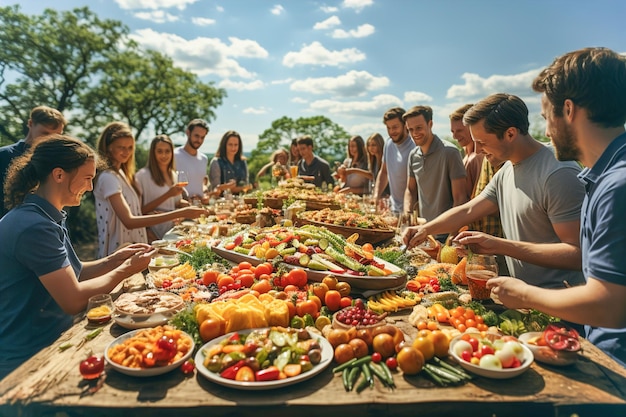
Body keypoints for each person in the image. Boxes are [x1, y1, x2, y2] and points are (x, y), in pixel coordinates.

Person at [487, 47, 626, 366]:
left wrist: (522, 294)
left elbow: (611, 305)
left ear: (569, 109)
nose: (547, 130)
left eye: (546, 116)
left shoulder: (617, 185)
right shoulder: (602, 175)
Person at [0, 135, 156, 379]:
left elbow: (75, 271)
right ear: (59, 175)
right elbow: (72, 300)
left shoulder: (46, 214)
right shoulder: (34, 226)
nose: (91, 188)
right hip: (27, 361)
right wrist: (126, 269)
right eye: (87, 178)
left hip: (49, 342)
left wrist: (113, 260)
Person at [403, 93, 586, 290]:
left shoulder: (558, 172)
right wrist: (425, 229)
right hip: (525, 299)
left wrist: (498, 245)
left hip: (560, 305)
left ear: (510, 134)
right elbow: (468, 211)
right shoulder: (506, 170)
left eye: (482, 142)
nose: (478, 150)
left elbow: (578, 254)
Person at [93, 121, 206, 257]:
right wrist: (180, 212)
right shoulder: (108, 178)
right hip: (117, 251)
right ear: (109, 147)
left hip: (133, 246)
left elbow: (137, 211)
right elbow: (129, 221)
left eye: (130, 148)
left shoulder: (122, 174)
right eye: (121, 147)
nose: (126, 152)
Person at [404, 105, 468, 228]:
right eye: (410, 129)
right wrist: (407, 212)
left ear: (430, 124)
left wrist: (451, 235)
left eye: (419, 128)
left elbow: (460, 199)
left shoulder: (450, 152)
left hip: (445, 233)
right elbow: (410, 189)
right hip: (422, 231)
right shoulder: (413, 155)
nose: (415, 133)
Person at [0, 105, 66, 217]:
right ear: (30, 124)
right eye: (45, 133)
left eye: (56, 136)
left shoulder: (58, 161)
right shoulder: (4, 155)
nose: (49, 140)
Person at [135, 135, 190, 240]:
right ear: (153, 153)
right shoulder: (142, 176)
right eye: (159, 151)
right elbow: (139, 211)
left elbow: (174, 203)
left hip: (172, 231)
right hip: (153, 233)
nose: (164, 155)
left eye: (167, 151)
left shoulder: (173, 175)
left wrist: (184, 204)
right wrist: (168, 194)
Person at [374, 107, 416, 214]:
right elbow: (384, 172)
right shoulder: (388, 144)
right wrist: (376, 196)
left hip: (412, 210)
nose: (391, 131)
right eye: (388, 128)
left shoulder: (414, 146)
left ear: (405, 125)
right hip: (394, 209)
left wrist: (409, 211)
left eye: (395, 127)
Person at [450, 104, 484, 198]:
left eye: (459, 131)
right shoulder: (465, 157)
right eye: (452, 131)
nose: (454, 136)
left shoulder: (477, 158)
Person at [174, 119, 210, 203]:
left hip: (199, 207)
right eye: (196, 136)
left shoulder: (204, 159)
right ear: (188, 133)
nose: (199, 140)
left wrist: (204, 193)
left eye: (202, 137)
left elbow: (201, 183)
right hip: (180, 208)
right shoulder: (174, 155)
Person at [208, 130, 251, 195]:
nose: (233, 148)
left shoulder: (243, 162)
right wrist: (229, 186)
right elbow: (215, 189)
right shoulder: (216, 162)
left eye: (236, 145)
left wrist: (228, 187)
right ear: (224, 145)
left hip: (241, 201)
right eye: (230, 144)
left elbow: (246, 186)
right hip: (222, 202)